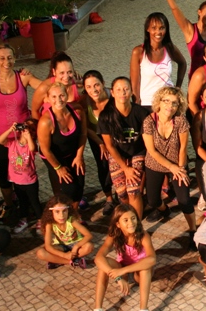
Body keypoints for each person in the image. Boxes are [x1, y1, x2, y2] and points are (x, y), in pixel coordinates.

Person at [0, 44, 42, 212]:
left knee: (26, 170)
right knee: (4, 173)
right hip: (3, 138)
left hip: (23, 138)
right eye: (2, 58)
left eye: (10, 57)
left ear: (15, 58)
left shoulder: (23, 77)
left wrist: (66, 79)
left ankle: (31, 204)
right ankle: (10, 206)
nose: (6, 62)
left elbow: (44, 87)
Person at [141, 87, 196, 248]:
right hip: (155, 163)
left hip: (178, 163)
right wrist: (171, 167)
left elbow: (183, 148)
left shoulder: (180, 121)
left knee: (184, 199)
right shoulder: (148, 122)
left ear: (179, 106)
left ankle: (193, 230)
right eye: (166, 101)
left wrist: (181, 169)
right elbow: (151, 151)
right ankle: (164, 209)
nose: (169, 106)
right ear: (159, 102)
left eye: (174, 103)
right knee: (152, 199)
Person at [91, 205, 157, 311]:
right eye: (125, 220)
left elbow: (152, 259)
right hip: (122, 270)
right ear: (118, 224)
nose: (131, 223)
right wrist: (118, 277)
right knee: (103, 265)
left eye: (133, 218)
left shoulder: (143, 235)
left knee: (145, 267)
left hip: (139, 273)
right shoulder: (114, 235)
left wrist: (122, 271)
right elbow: (98, 258)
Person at [99, 77, 149, 221]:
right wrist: (125, 168)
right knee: (122, 193)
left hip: (137, 152)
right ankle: (129, 217)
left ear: (131, 91)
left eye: (126, 89)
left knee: (134, 191)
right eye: (119, 90)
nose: (123, 93)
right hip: (117, 154)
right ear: (112, 92)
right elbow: (109, 145)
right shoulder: (106, 116)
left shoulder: (140, 112)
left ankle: (137, 224)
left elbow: (147, 139)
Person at [37, 83, 87, 202]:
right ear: (48, 99)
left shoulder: (77, 110)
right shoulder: (46, 122)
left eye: (61, 95)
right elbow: (45, 149)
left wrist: (79, 156)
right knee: (69, 188)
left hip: (72, 152)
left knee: (80, 184)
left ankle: (75, 211)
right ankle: (65, 210)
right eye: (54, 97)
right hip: (53, 155)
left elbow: (83, 134)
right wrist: (58, 168)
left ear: (67, 95)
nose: (58, 100)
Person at [130, 12, 187, 109]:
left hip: (168, 103)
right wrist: (136, 104)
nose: (158, 32)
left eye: (162, 28)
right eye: (154, 28)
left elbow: (183, 63)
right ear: (147, 29)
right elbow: (134, 83)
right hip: (147, 103)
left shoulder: (169, 48)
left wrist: (177, 88)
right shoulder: (138, 52)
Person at [0, 121, 40, 234]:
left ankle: (41, 220)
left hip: (30, 181)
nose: (27, 130)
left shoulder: (31, 145)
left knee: (34, 202)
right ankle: (23, 219)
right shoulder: (12, 143)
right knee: (22, 201)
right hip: (17, 181)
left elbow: (32, 149)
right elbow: (0, 140)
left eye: (31, 129)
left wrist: (28, 137)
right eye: (25, 126)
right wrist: (10, 130)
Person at [81, 70, 114, 214]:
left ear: (103, 83)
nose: (93, 90)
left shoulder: (113, 96)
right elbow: (86, 127)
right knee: (103, 166)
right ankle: (109, 198)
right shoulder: (84, 101)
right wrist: (101, 143)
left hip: (115, 136)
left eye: (96, 85)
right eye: (88, 87)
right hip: (97, 138)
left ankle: (124, 194)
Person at [35, 195, 94, 269]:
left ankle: (58, 261)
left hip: (75, 245)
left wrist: (76, 247)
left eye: (64, 211)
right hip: (60, 246)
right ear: (51, 212)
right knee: (40, 253)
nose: (61, 215)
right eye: (57, 212)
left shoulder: (72, 220)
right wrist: (64, 255)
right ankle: (72, 261)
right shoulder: (49, 224)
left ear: (68, 210)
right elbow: (48, 246)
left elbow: (88, 235)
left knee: (89, 246)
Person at [31, 52, 81, 120]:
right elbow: (35, 111)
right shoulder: (45, 88)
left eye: (69, 72)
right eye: (62, 73)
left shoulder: (78, 85)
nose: (66, 76)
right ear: (54, 72)